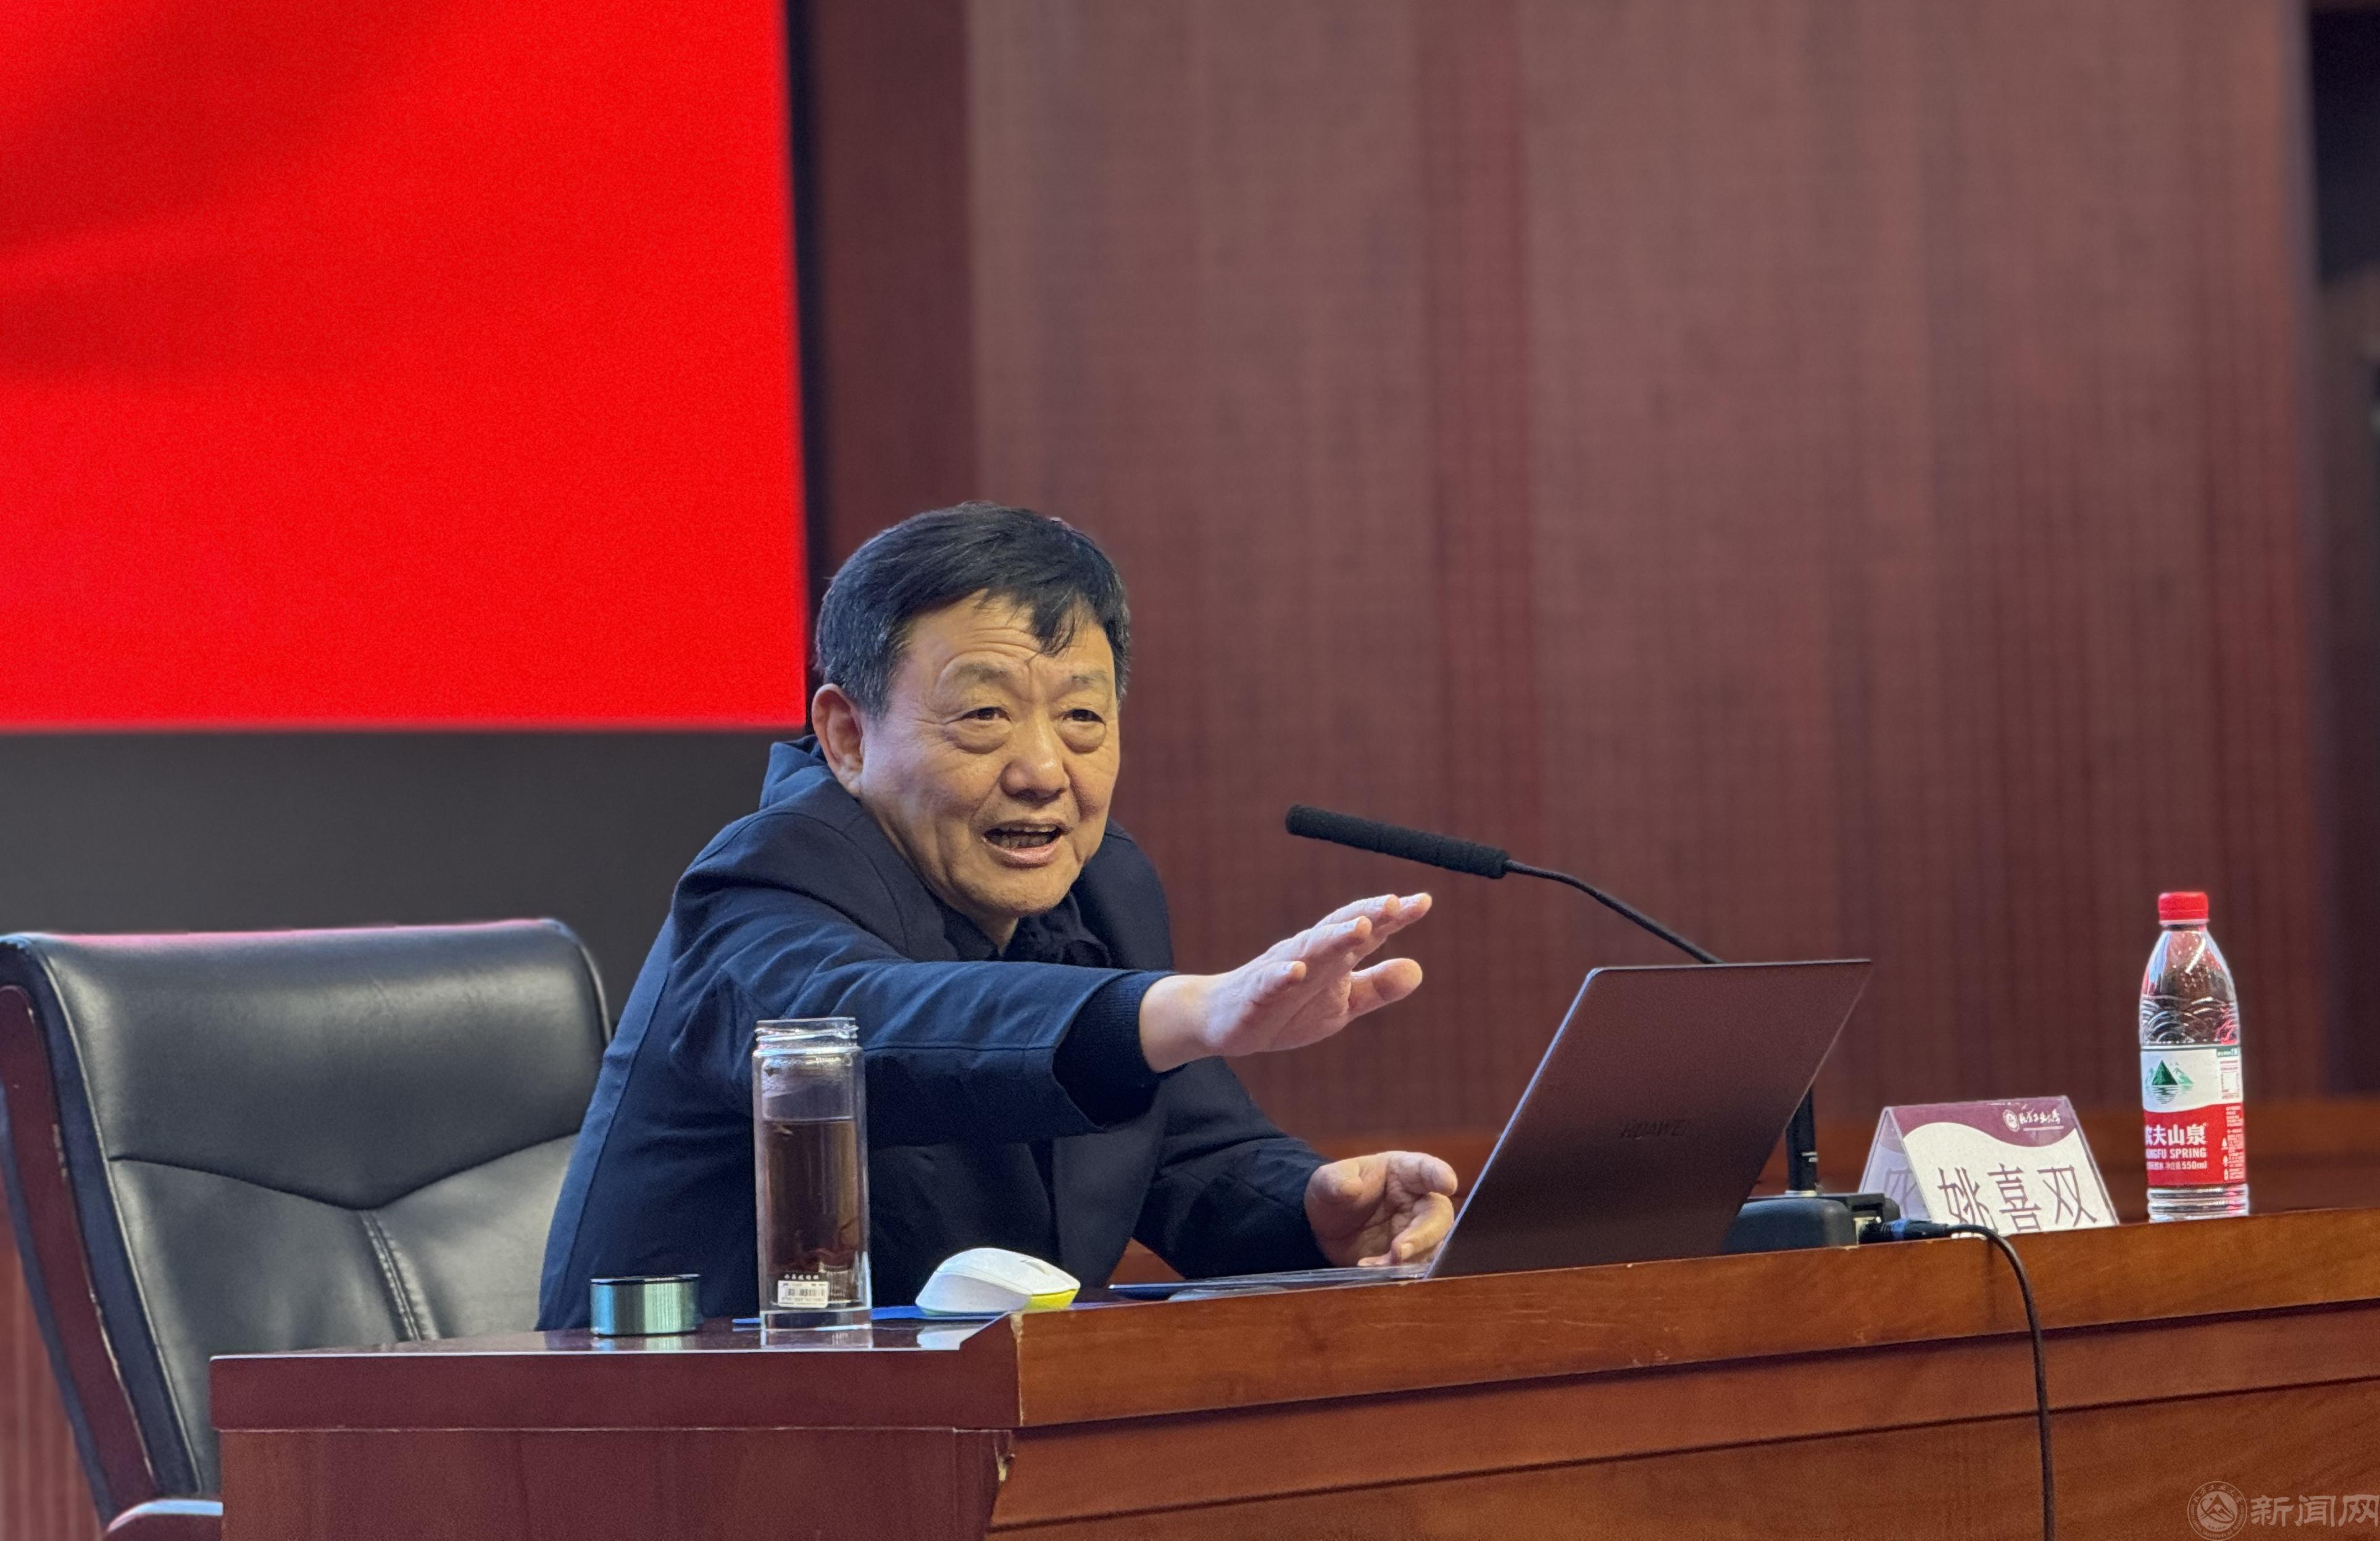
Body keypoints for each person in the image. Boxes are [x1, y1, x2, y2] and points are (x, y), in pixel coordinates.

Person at [538, 503, 1457, 1325]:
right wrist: (1180, 1007)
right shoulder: (763, 879)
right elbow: (868, 1032)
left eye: (1082, 718)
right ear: (848, 737)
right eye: (983, 714)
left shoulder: (1104, 887)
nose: (1043, 771)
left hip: (978, 1423)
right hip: (681, 1427)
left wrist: (1315, 1209)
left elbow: (1186, 1154)